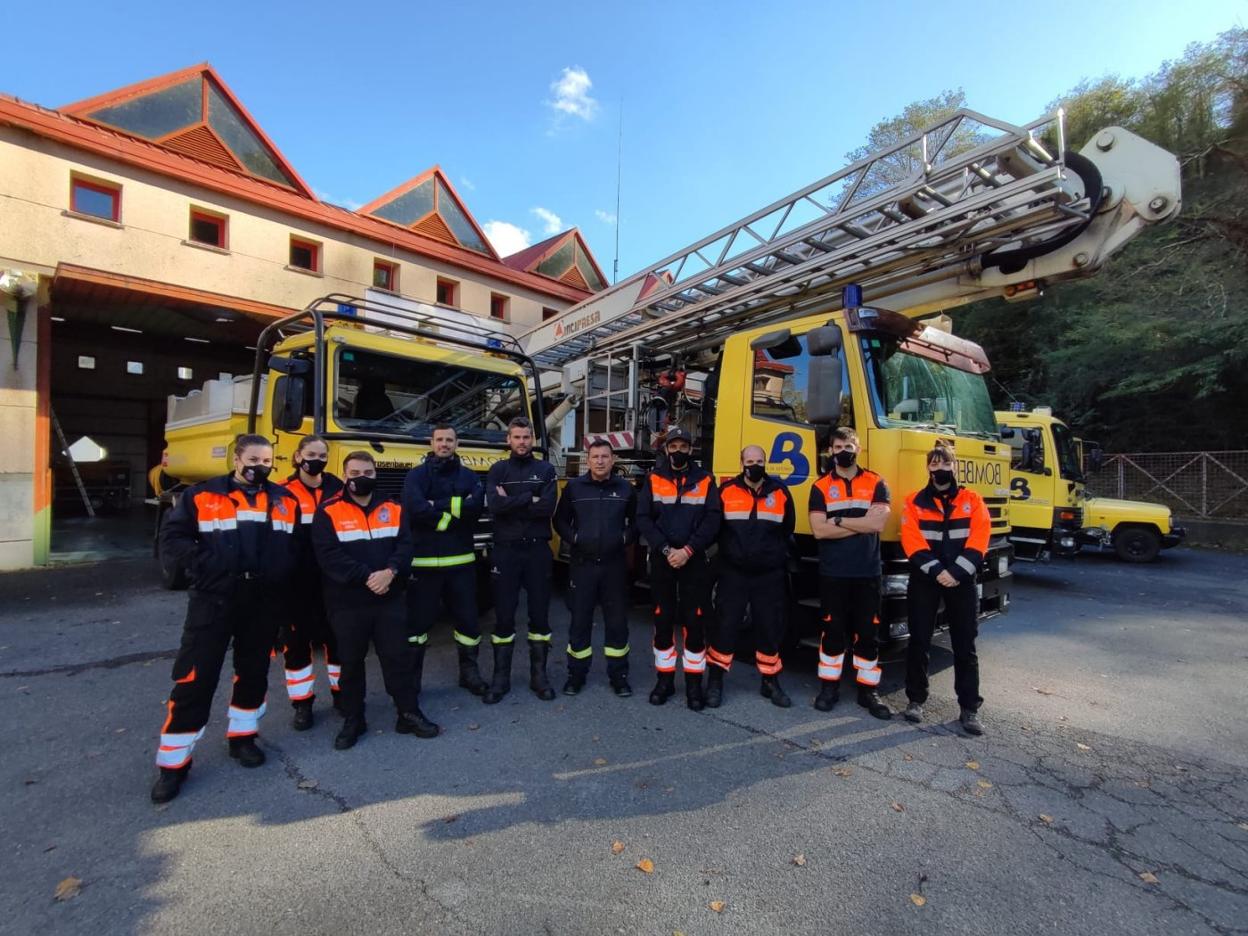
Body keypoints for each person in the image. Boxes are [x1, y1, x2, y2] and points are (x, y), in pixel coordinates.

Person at [149, 434, 301, 804]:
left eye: (267, 461)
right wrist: (206, 566)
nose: (260, 467)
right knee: (195, 677)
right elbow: (173, 538)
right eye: (254, 460)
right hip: (214, 599)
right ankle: (174, 764)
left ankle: (243, 738)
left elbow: (293, 549)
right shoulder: (202, 495)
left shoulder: (285, 500)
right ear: (237, 459)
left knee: (253, 672)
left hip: (261, 600)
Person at [312, 451, 437, 749]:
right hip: (348, 602)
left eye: (367, 472)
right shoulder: (328, 511)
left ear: (375, 474)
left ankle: (408, 712)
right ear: (345, 476)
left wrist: (390, 572)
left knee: (398, 658)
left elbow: (405, 546)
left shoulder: (393, 507)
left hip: (388, 598)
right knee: (351, 663)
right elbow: (328, 556)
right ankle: (354, 718)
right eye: (355, 473)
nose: (362, 478)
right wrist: (368, 577)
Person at [900, 444, 992, 736]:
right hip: (926, 580)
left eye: (945, 464)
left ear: (955, 466)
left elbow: (980, 538)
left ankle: (969, 708)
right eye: (934, 464)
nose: (940, 469)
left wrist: (955, 573)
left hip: (961, 581)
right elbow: (912, 541)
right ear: (928, 468)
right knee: (919, 641)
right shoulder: (914, 502)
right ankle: (915, 700)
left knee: (965, 645)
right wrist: (939, 572)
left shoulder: (972, 500)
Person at [808, 427, 893, 719]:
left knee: (868, 632)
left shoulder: (877, 482)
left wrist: (839, 520)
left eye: (849, 446)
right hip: (834, 572)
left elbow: (877, 525)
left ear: (858, 448)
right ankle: (828, 687)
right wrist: (860, 523)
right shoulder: (820, 486)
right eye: (838, 446)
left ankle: (868, 690)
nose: (844, 451)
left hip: (867, 571)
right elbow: (819, 531)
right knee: (832, 631)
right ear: (831, 451)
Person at [636, 427, 722, 710]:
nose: (678, 451)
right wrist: (665, 549)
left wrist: (687, 550)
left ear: (691, 449)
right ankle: (665, 680)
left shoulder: (706, 480)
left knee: (694, 622)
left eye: (683, 446)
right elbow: (643, 518)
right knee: (662, 620)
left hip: (693, 560)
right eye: (673, 446)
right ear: (666, 449)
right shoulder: (653, 478)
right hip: (663, 559)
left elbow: (712, 520)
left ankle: (694, 684)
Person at [706, 445, 795, 709]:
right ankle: (715, 681)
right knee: (725, 626)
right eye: (749, 461)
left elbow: (787, 528)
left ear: (765, 462)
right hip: (733, 573)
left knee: (769, 627)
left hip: (768, 574)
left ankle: (770, 681)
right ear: (741, 463)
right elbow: (715, 529)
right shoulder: (726, 491)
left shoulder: (780, 492)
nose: (754, 466)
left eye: (759, 461)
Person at [401, 425, 487, 697]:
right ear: (432, 443)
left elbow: (475, 509)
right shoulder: (416, 476)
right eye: (440, 439)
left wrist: (435, 507)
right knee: (417, 626)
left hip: (461, 565)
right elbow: (414, 508)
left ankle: (469, 674)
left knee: (468, 622)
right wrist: (453, 512)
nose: (444, 444)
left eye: (449, 440)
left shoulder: (469, 476)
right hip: (424, 566)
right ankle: (411, 681)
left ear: (456, 443)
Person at [552, 438, 637, 697]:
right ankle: (576, 676)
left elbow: (637, 521)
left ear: (613, 460)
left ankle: (619, 677)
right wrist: (575, 538)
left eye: (605, 456)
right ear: (587, 461)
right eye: (595, 457)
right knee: (580, 622)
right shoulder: (575, 488)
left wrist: (624, 538)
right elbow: (560, 521)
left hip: (614, 567)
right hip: (583, 566)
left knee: (617, 623)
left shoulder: (625, 489)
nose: (600, 461)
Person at [483, 416, 558, 704]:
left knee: (539, 615)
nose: (522, 442)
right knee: (504, 615)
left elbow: (547, 508)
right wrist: (529, 498)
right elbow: (495, 506)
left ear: (532, 439)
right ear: (508, 440)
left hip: (538, 551)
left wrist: (512, 501)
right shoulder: (498, 470)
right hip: (506, 551)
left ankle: (539, 677)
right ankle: (500, 679)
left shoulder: (545, 469)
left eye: (526, 437)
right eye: (517, 437)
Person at [278, 434, 344, 730]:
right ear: (297, 457)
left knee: (338, 640)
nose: (317, 460)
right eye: (311, 455)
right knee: (297, 645)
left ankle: (342, 694)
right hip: (296, 584)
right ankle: (302, 704)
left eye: (322, 456)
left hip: (333, 581)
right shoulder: (281, 492)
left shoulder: (338, 488)